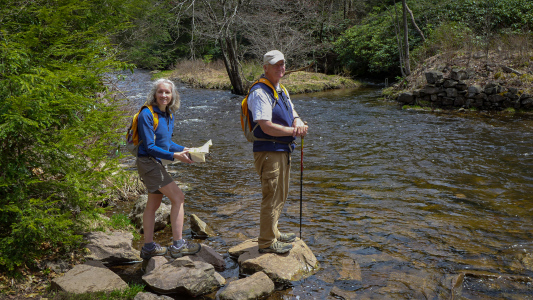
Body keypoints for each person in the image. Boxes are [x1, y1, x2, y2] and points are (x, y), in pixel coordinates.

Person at [247, 50, 308, 254]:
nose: (281, 68)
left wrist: (297, 121)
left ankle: (274, 231)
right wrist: (294, 131)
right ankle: (266, 242)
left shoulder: (281, 89)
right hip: (268, 151)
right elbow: (265, 126)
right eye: (276, 65)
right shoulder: (260, 92)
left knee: (281, 193)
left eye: (282, 64)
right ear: (265, 68)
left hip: (282, 149)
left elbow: (293, 112)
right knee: (271, 196)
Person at [136, 78, 201, 260]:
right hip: (148, 163)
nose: (164, 95)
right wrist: (175, 156)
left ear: (173, 96)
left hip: (155, 163)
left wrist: (184, 150)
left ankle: (148, 247)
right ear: (154, 94)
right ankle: (178, 245)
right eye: (160, 92)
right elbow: (149, 146)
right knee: (178, 197)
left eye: (167, 92)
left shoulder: (168, 114)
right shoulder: (147, 114)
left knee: (154, 204)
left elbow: (166, 143)